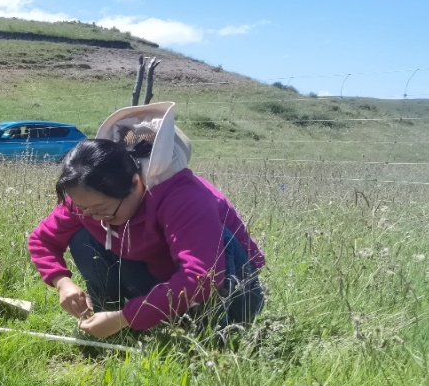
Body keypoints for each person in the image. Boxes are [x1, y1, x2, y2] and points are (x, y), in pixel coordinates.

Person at [29, 102, 265, 338]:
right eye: (83, 208)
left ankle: (212, 333)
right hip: (159, 274)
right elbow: (42, 240)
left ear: (135, 183)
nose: (96, 217)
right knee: (82, 235)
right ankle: (106, 319)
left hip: (231, 288)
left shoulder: (184, 197)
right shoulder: (88, 198)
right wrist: (62, 282)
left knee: (219, 244)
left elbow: (201, 276)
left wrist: (125, 317)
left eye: (104, 210)